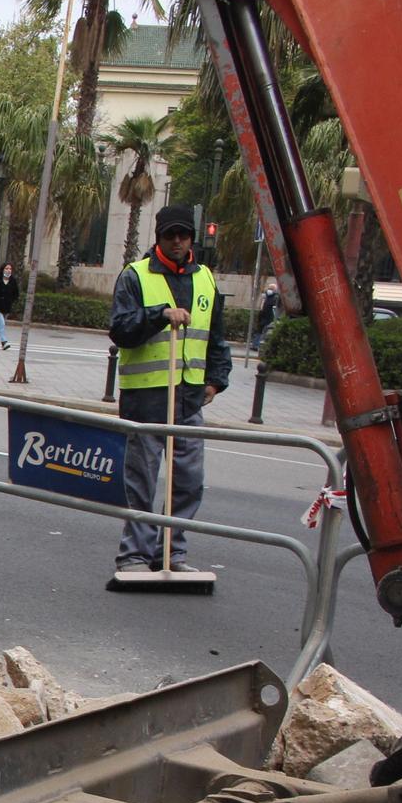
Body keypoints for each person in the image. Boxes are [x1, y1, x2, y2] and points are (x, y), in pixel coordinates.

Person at [108, 204, 230, 573]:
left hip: (189, 397)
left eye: (183, 235)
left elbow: (217, 335)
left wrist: (216, 380)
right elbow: (121, 330)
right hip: (146, 398)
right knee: (141, 481)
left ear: (192, 238)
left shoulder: (205, 278)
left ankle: (172, 553)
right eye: (170, 235)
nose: (177, 242)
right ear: (158, 237)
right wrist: (160, 315)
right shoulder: (135, 276)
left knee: (189, 481)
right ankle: (135, 554)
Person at [0, 262, 18, 350]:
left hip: (7, 306)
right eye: (6, 268)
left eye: (10, 269)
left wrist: (10, 300)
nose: (8, 270)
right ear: (3, 269)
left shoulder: (13, 281)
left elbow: (16, 293)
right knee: (2, 323)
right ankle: (4, 342)